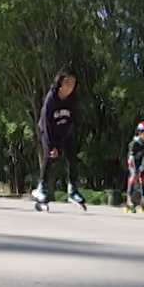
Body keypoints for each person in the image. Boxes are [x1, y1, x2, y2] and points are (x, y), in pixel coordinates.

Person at [31, 66, 85, 205]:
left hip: (62, 131)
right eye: (67, 82)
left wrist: (60, 146)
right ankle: (41, 187)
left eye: (73, 83)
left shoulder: (73, 100)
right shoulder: (51, 99)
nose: (70, 86)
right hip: (47, 130)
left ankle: (72, 189)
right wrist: (52, 146)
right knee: (49, 155)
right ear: (60, 82)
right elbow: (46, 125)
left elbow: (70, 123)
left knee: (72, 156)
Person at [126, 121, 144, 211]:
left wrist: (140, 170)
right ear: (140, 133)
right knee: (133, 176)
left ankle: (143, 199)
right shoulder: (134, 143)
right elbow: (131, 158)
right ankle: (129, 199)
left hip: (140, 162)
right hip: (132, 161)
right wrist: (134, 172)